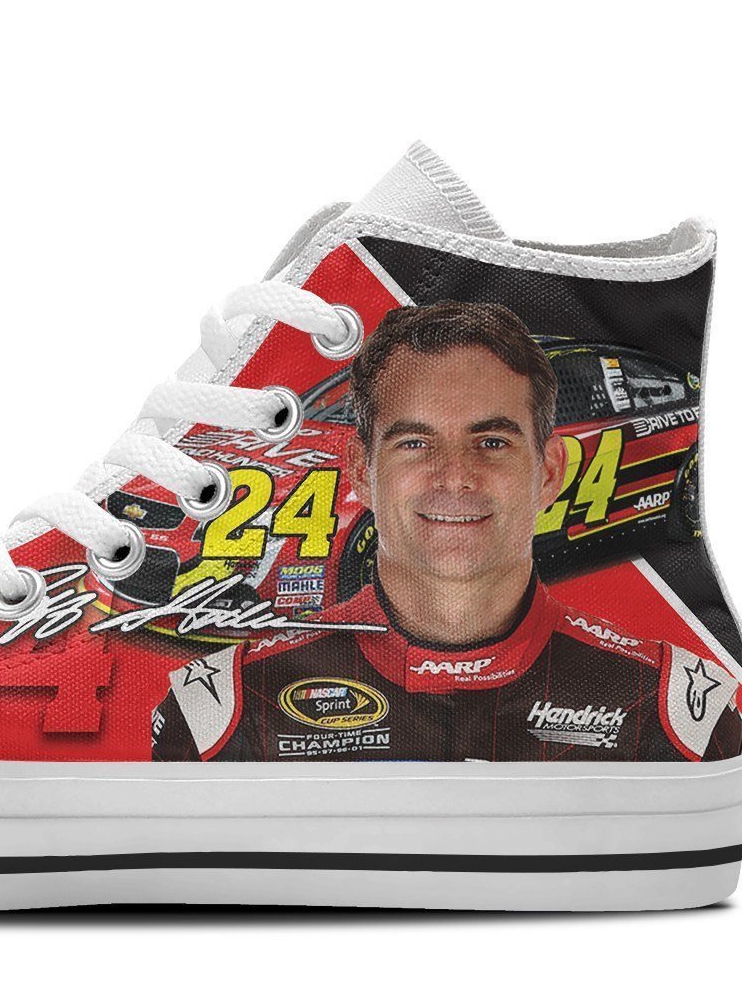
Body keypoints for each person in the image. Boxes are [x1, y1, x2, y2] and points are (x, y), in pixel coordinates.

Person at [151, 301, 742, 762]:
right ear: (362, 471)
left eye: (492, 442)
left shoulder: (677, 715)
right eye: (415, 442)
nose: (456, 477)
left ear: (549, 472)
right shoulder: (224, 710)